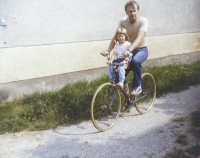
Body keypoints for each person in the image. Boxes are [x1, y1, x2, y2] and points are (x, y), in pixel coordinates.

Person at [101, 0, 148, 96]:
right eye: (130, 11)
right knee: (118, 75)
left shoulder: (143, 21)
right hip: (126, 51)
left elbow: (139, 39)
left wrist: (129, 50)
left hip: (141, 49)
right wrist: (108, 51)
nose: (132, 13)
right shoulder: (123, 21)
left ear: (137, 10)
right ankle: (127, 99)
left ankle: (137, 86)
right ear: (126, 12)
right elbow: (116, 38)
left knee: (135, 61)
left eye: (134, 11)